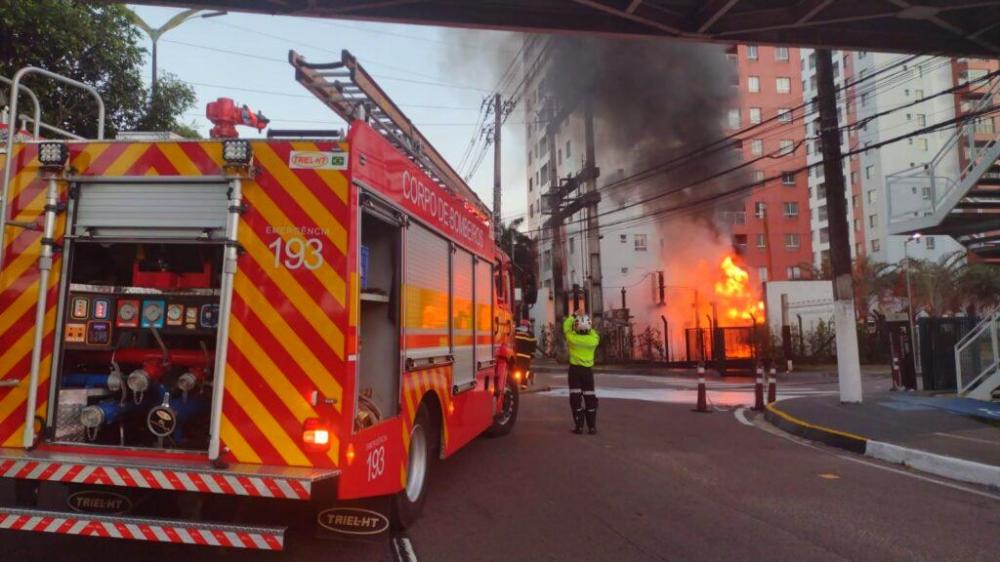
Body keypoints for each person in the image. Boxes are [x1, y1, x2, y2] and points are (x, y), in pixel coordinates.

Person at [562, 311, 599, 435]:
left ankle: (579, 426)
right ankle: (592, 427)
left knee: (575, 398)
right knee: (590, 398)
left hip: (575, 371)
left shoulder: (572, 338)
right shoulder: (593, 340)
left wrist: (573, 316)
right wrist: (588, 325)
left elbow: (566, 328)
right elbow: (594, 333)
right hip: (588, 372)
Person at [514, 321, 537, 388]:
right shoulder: (530, 334)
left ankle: (523, 384)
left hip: (517, 354)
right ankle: (524, 382)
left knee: (520, 370)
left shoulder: (516, 332)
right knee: (524, 370)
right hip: (526, 355)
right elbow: (533, 345)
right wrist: (532, 355)